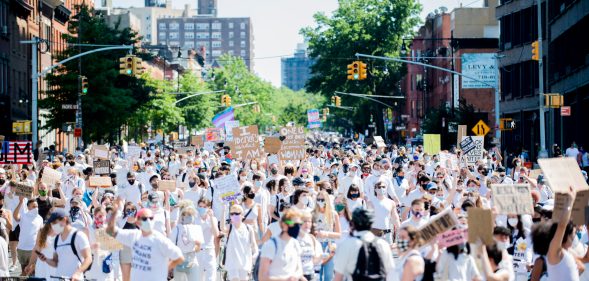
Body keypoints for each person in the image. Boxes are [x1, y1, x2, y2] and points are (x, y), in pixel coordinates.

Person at [106, 202, 184, 281]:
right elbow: (110, 231)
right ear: (137, 221)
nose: (148, 221)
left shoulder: (160, 240)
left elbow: (179, 257)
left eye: (151, 218)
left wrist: (165, 268)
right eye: (144, 218)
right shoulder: (133, 235)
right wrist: (114, 213)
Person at [333, 208, 395, 281]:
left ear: (352, 223)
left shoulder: (346, 244)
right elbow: (391, 273)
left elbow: (338, 276)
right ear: (371, 224)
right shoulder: (383, 244)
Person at [37, 209, 92, 281]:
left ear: (64, 220)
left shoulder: (78, 235)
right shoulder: (56, 239)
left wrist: (77, 273)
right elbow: (55, 262)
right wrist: (46, 259)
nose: (52, 226)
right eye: (51, 223)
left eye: (54, 223)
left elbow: (88, 258)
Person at [258, 209, 305, 281]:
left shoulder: (295, 244)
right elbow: (262, 277)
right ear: (284, 225)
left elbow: (299, 270)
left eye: (299, 224)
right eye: (294, 224)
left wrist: (294, 276)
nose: (297, 227)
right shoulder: (271, 245)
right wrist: (285, 279)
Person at [223, 204, 258, 281]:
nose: (234, 215)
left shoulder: (249, 228)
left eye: (236, 213)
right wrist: (223, 210)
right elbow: (222, 228)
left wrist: (254, 255)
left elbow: (254, 245)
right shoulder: (230, 227)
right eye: (232, 214)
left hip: (245, 263)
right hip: (232, 263)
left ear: (242, 215)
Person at [169, 206, 204, 281]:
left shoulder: (196, 229)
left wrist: (198, 244)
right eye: (186, 215)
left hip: (192, 259)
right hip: (179, 260)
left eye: (190, 215)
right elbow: (171, 246)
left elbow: (197, 250)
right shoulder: (176, 229)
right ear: (182, 217)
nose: (188, 217)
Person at [13, 195, 43, 275]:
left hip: (33, 250)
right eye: (33, 206)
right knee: (24, 271)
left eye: (36, 206)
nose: (36, 208)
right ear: (28, 207)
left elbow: (41, 233)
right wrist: (20, 202)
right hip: (22, 249)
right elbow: (15, 216)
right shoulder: (23, 215)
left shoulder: (40, 218)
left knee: (32, 272)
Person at [194, 199, 219, 281]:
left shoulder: (213, 219)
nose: (202, 208)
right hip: (198, 251)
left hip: (209, 251)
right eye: (200, 206)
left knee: (211, 277)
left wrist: (211, 217)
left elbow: (216, 234)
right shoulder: (194, 219)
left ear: (209, 208)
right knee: (198, 277)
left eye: (204, 207)